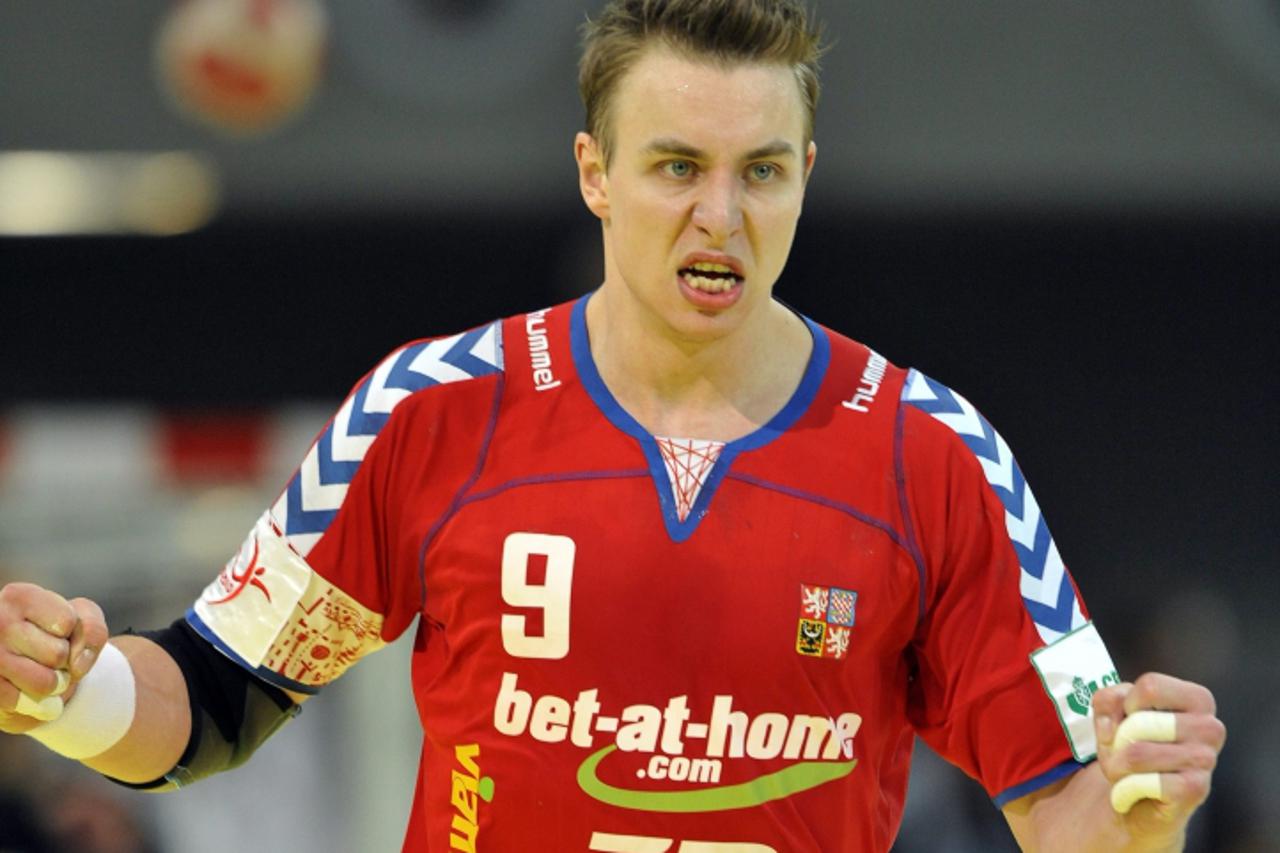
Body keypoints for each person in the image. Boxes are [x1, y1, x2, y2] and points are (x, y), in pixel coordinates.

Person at [0, 1, 1225, 850]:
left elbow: (1071, 814)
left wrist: (1141, 803)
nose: (719, 217)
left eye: (760, 172)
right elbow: (213, 702)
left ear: (806, 171)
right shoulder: (434, 413)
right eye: (675, 165)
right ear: (594, 172)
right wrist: (64, 690)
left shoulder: (935, 456)